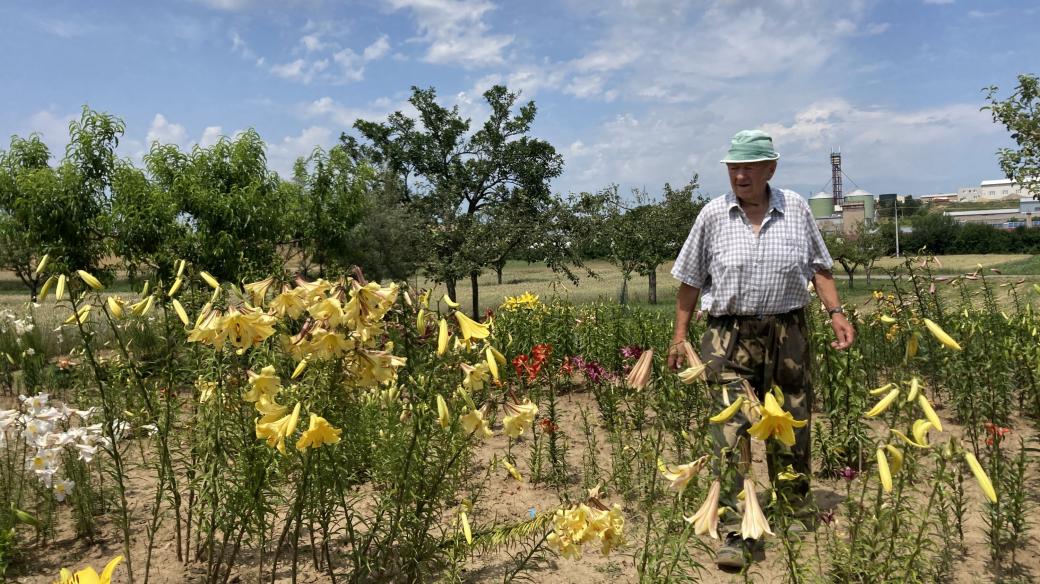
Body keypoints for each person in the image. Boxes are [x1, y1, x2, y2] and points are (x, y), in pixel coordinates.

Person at [666, 130, 855, 569]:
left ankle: (792, 506)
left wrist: (836, 312)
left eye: (749, 166)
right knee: (730, 431)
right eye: (734, 167)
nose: (740, 174)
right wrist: (679, 336)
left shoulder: (796, 209)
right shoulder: (712, 215)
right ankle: (735, 528)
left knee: (791, 417)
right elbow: (689, 281)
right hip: (726, 335)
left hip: (787, 331)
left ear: (771, 168)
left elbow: (819, 267)